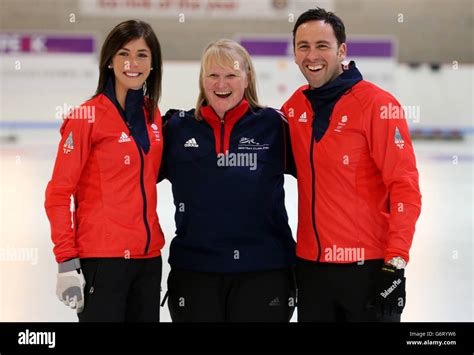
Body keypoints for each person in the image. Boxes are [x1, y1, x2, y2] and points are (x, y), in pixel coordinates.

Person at [281, 8, 422, 322]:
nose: (312, 55)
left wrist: (395, 264)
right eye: (303, 46)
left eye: (322, 45)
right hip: (312, 271)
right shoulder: (294, 107)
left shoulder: (377, 105)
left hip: (368, 270)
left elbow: (405, 189)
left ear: (341, 50)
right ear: (294, 53)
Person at [160, 39, 296, 322]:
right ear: (202, 80)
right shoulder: (176, 128)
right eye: (213, 75)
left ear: (247, 78)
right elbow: (129, 177)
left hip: (265, 272)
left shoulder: (274, 125)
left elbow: (326, 175)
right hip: (195, 274)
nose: (222, 83)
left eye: (232, 75)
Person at [45, 20, 165, 322]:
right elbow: (59, 194)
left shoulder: (152, 114)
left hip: (148, 261)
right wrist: (66, 261)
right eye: (124, 54)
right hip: (103, 261)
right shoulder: (87, 117)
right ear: (110, 60)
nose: (132, 63)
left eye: (142, 55)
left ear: (153, 63)